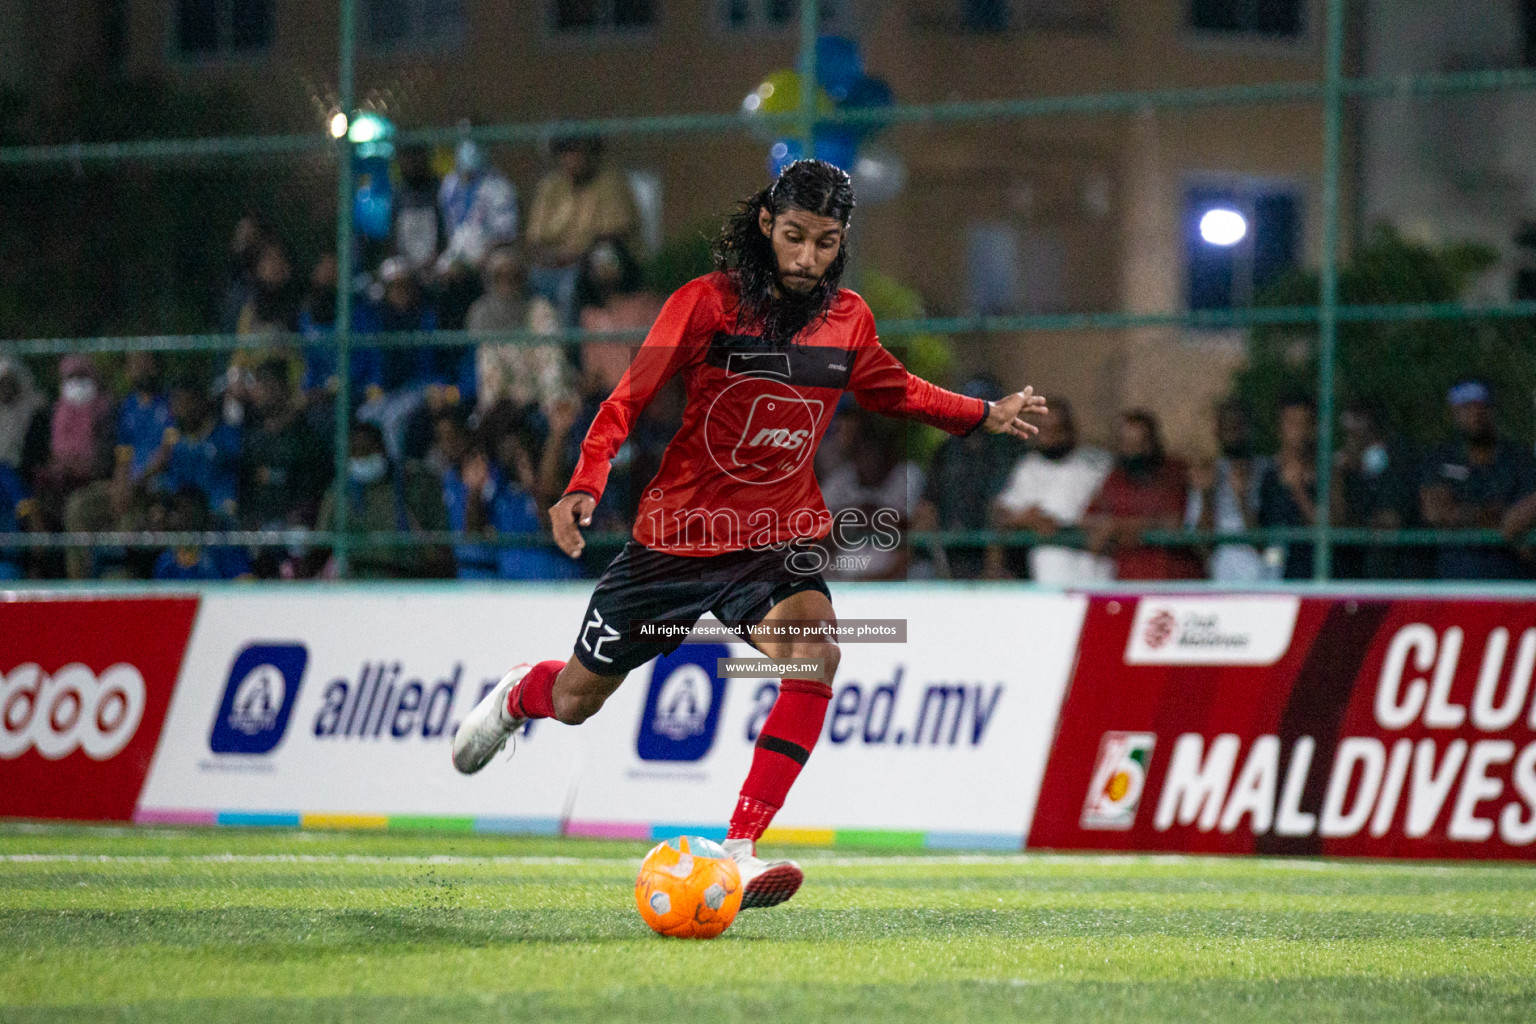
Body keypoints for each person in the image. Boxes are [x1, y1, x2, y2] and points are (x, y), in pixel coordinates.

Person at [448, 160, 1048, 909]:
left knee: (815, 652)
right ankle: (517, 696)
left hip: (771, 543)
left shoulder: (849, 319)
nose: (807, 259)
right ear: (766, 224)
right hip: (673, 543)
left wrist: (979, 413)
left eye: (826, 243)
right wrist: (584, 482)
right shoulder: (705, 304)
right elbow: (627, 398)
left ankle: (740, 846)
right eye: (794, 237)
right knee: (574, 699)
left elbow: (894, 388)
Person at [986, 399, 1113, 584]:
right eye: (1043, 429)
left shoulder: (1095, 465)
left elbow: (1113, 512)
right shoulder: (1028, 468)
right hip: (1047, 575)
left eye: (1057, 429)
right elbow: (999, 514)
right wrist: (1022, 519)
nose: (1049, 436)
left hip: (1092, 572)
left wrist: (1072, 524)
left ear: (1070, 430)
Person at [1422, 380, 1535, 580]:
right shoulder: (1441, 457)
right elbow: (1436, 513)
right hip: (1454, 581)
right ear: (1454, 413)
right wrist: (1488, 515)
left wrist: (1466, 514)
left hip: (1510, 580)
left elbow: (1519, 518)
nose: (1476, 414)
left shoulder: (1519, 458)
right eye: (1466, 407)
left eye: (1481, 406)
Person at [913, 376, 1022, 579]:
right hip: (953, 553)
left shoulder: (1013, 450)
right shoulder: (947, 452)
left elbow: (1006, 508)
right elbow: (928, 507)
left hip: (1003, 559)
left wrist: (995, 565)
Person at [525, 136, 641, 326]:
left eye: (577, 151)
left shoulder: (610, 182)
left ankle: (571, 351)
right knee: (531, 284)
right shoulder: (550, 186)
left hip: (594, 263)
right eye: (567, 152)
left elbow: (612, 237)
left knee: (570, 288)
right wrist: (554, 258)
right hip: (555, 264)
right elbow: (536, 240)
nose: (572, 158)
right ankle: (544, 352)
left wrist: (574, 257)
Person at [314, 420, 451, 579]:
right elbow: (321, 545)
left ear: (383, 450)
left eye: (367, 451)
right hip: (357, 583)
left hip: (409, 580)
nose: (360, 458)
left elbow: (441, 542)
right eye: (354, 452)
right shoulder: (340, 493)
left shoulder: (414, 482)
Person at [1083, 410, 1201, 580]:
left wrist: (1120, 527)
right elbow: (1087, 518)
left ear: (1154, 441)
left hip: (1175, 580)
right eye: (1128, 443)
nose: (1135, 450)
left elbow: (1174, 521)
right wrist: (1104, 529)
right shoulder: (1116, 478)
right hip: (1130, 581)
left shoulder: (1175, 472)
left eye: (1141, 443)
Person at [471, 246, 570, 414]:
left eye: (513, 276)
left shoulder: (540, 309)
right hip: (501, 401)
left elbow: (551, 357)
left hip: (540, 395)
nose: (507, 282)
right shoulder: (480, 313)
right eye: (501, 276)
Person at [1255, 395, 1343, 580]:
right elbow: (1260, 537)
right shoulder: (1267, 474)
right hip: (1278, 574)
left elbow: (1332, 527)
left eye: (1305, 423)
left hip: (1318, 573)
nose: (1298, 431)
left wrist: (1298, 491)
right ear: (1280, 428)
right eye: (1291, 423)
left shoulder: (1328, 472)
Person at [1186, 401, 1275, 583]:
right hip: (1223, 581)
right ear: (1218, 432)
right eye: (1228, 427)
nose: (1234, 432)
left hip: (1266, 578)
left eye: (1239, 426)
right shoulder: (1209, 473)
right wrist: (1206, 495)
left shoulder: (1269, 471)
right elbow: (1203, 546)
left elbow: (1267, 546)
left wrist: (1242, 500)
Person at [0, 357, 48, 479]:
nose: (5, 389)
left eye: (8, 384)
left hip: (21, 470)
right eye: (2, 384)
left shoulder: (33, 410)